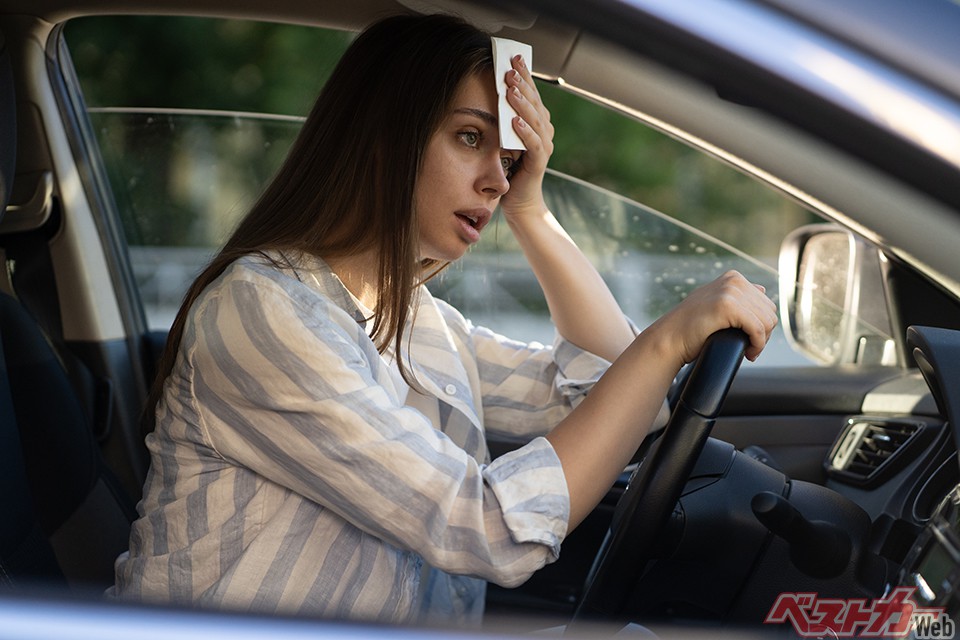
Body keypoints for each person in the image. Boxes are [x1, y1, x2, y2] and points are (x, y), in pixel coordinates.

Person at [111, 12, 778, 628]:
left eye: (509, 160)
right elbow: (486, 525)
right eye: (469, 138)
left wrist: (531, 210)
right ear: (382, 136)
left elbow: (612, 390)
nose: (497, 180)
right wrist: (667, 337)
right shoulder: (261, 310)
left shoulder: (417, 318)